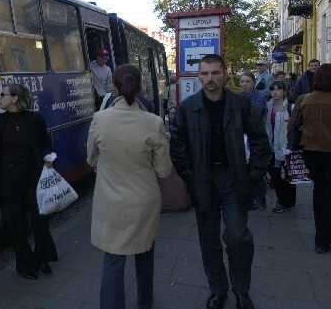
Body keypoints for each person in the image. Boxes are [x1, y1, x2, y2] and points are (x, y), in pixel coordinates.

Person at [170, 54, 271, 309]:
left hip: (234, 179)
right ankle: (218, 290)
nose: (209, 79)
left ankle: (241, 290)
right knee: (209, 239)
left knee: (238, 238)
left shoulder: (240, 105)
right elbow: (178, 147)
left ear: (225, 74)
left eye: (215, 73)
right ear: (198, 76)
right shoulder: (188, 108)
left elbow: (260, 143)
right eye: (204, 74)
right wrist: (191, 179)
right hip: (203, 181)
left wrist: (252, 176)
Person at [87, 64, 172, 309]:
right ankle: (145, 302)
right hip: (144, 202)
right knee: (145, 255)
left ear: (114, 87)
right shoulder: (153, 122)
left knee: (113, 261)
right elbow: (163, 170)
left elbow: (90, 158)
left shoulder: (100, 119)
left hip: (110, 203)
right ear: (141, 86)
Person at [0, 83, 57, 279]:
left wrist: (48, 156)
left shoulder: (35, 120)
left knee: (39, 221)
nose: (0, 98)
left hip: (34, 178)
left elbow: (45, 143)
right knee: (16, 225)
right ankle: (25, 264)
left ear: (15, 98)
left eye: (3, 94)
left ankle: (43, 258)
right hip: (8, 182)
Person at [288, 63, 331, 254]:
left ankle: (321, 240)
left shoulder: (304, 99)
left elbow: (293, 125)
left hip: (312, 152)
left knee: (320, 192)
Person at [265, 81, 296, 213]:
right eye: (272, 90)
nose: (275, 92)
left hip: (286, 148)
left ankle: (287, 201)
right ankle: (282, 199)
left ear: (284, 91)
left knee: (287, 176)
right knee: (275, 176)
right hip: (271, 147)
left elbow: (296, 127)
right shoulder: (267, 107)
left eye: (278, 89)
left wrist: (292, 145)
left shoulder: (291, 107)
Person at [239, 72, 268, 210]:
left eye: (247, 81)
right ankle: (248, 199)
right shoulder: (236, 98)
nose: (244, 84)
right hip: (241, 138)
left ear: (253, 83)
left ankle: (260, 198)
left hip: (255, 138)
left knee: (256, 168)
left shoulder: (259, 97)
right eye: (242, 81)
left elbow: (256, 113)